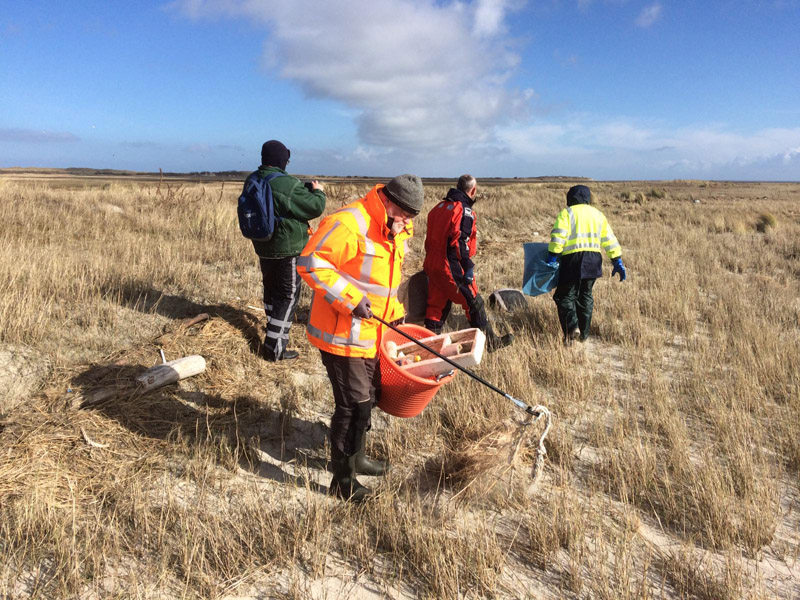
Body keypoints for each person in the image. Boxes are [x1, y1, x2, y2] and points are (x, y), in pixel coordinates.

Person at [297, 174, 423, 502]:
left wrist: (397, 317)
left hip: (374, 333)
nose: (408, 222)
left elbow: (385, 283)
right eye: (406, 214)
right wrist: (351, 299)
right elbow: (311, 264)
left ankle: (359, 457)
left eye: (413, 217)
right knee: (354, 405)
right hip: (341, 334)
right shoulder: (349, 223)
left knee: (371, 398)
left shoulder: (397, 227)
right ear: (388, 201)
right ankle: (342, 481)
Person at [249, 140, 326, 361]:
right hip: (288, 247)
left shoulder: (253, 179)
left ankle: (273, 327)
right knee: (289, 295)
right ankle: (274, 348)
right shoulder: (287, 184)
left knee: (271, 289)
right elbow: (314, 207)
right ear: (282, 160)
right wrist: (318, 192)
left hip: (263, 244)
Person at [422, 174, 513, 351]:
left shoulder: (438, 208)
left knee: (436, 306)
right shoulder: (463, 211)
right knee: (474, 301)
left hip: (432, 265)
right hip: (451, 266)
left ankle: (430, 348)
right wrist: (468, 267)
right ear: (473, 190)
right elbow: (460, 243)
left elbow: (429, 240)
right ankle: (491, 343)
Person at [546, 184, 626, 344]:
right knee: (585, 295)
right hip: (593, 260)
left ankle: (572, 328)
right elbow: (609, 238)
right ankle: (584, 334)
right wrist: (617, 260)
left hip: (572, 259)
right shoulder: (598, 214)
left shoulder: (567, 213)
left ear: (570, 198)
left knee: (564, 296)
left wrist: (553, 256)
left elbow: (558, 237)